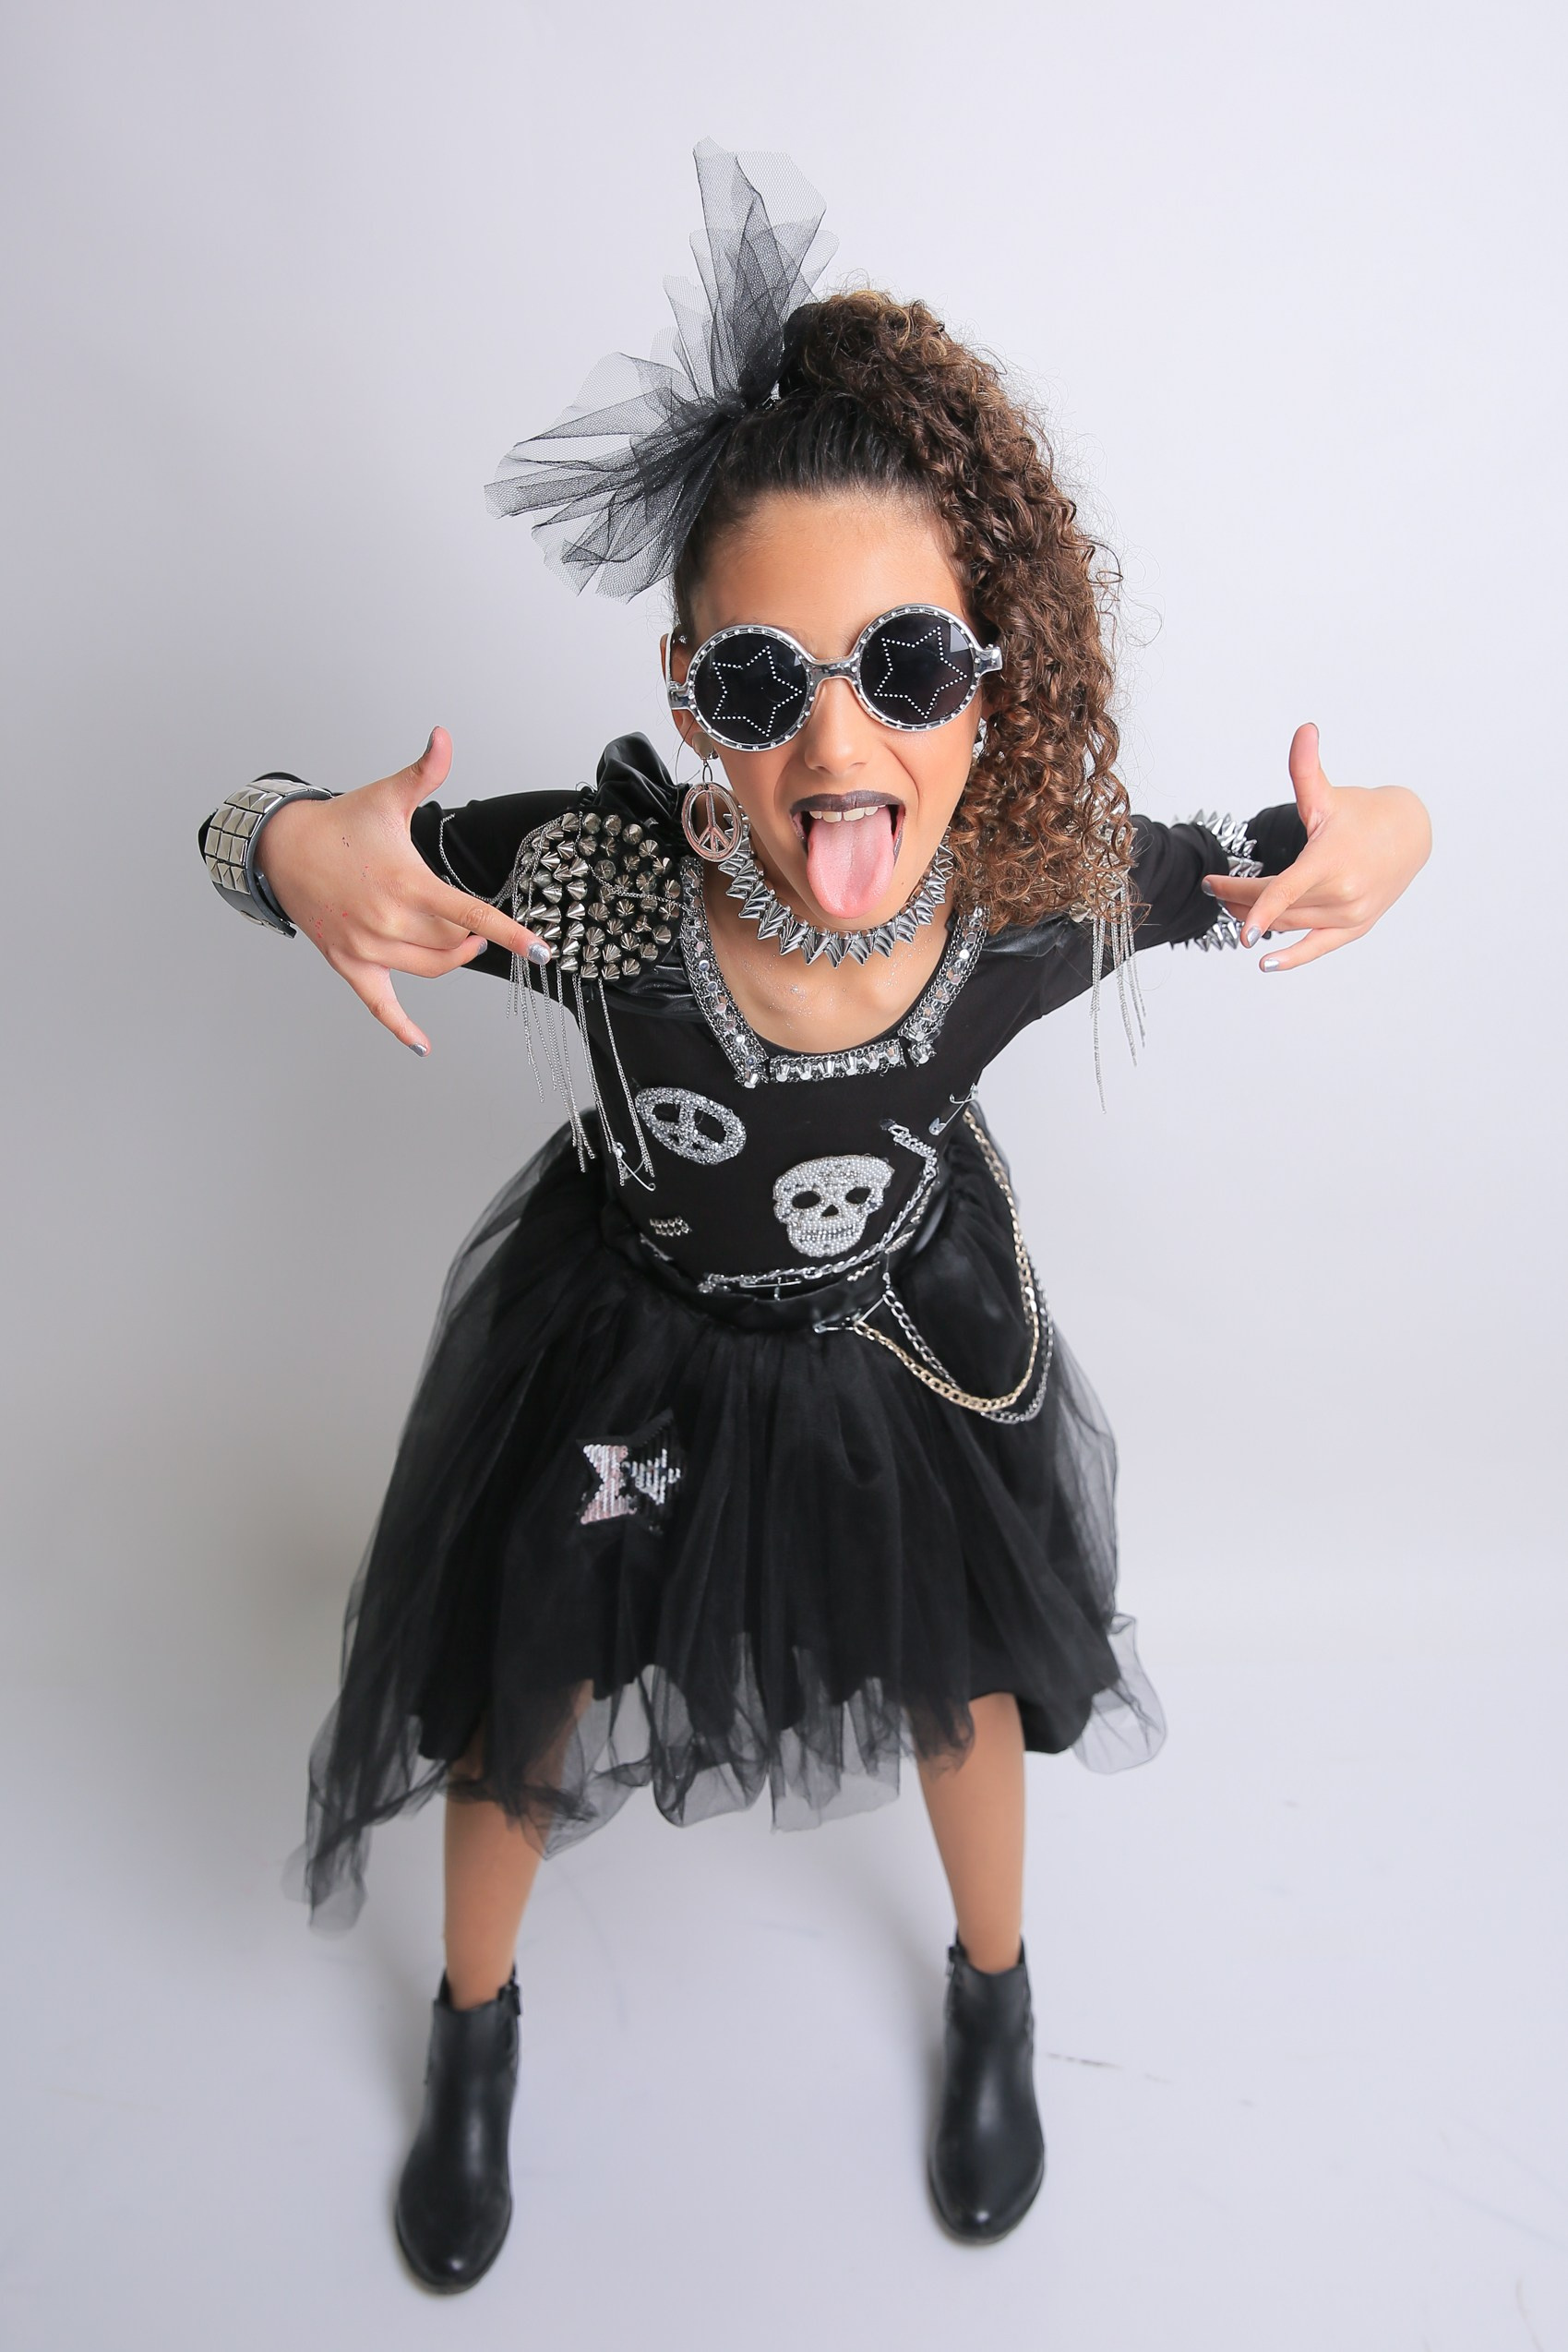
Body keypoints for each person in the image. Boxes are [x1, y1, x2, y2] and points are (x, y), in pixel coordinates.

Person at [197, 142, 1430, 2291]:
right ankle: (474, 2024)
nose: (839, 743)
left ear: (990, 680)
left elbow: (1272, 853)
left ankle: (994, 1984)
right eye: (770, 683)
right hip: (624, 1340)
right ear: (691, 694)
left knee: (964, 1681)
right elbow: (252, 830)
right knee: (522, 1693)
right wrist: (291, 841)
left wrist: (1392, 828)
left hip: (892, 1347)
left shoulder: (1032, 894)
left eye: (908, 665)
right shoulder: (596, 890)